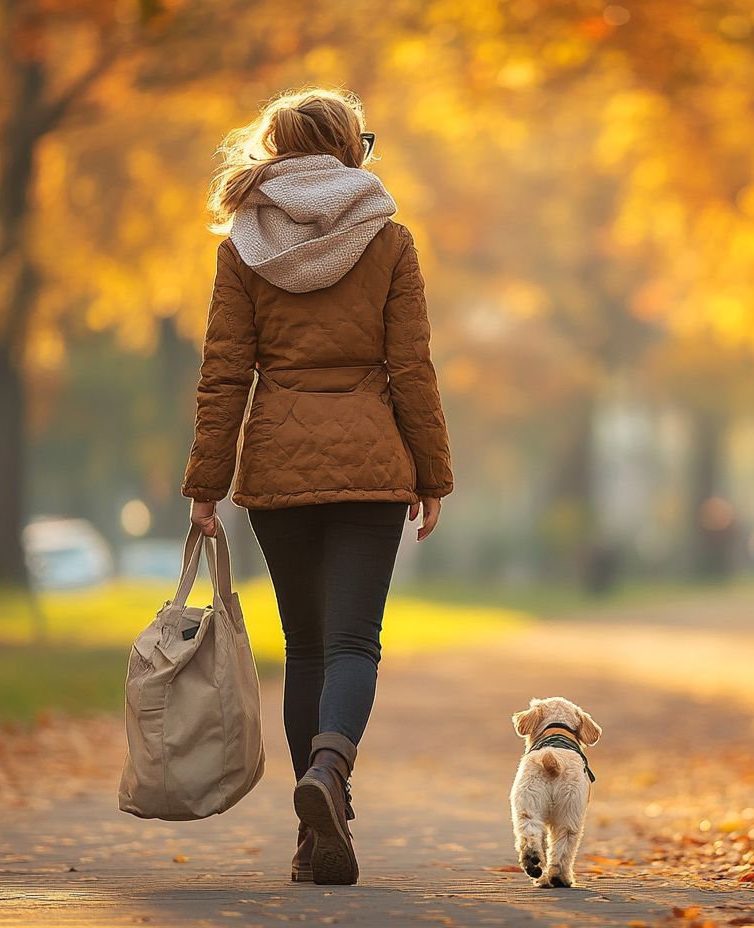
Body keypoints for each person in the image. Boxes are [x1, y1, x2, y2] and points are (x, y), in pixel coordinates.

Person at [180, 88, 454, 886]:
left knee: (304, 648)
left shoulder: (243, 245)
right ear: (349, 148)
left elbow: (224, 372)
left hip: (276, 467)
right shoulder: (388, 239)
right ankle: (329, 774)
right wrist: (432, 472)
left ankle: (311, 841)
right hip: (372, 465)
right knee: (352, 643)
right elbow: (412, 368)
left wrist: (207, 483)